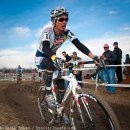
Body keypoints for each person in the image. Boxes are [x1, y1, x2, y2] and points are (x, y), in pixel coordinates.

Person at [34, 7, 98, 110]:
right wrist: (54, 58)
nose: (64, 22)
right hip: (42, 57)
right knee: (51, 63)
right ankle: (48, 94)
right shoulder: (47, 31)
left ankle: (59, 109)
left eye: (66, 19)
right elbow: (46, 47)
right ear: (54, 21)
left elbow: (78, 44)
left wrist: (94, 57)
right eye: (61, 19)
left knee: (61, 82)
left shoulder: (67, 32)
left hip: (53, 57)